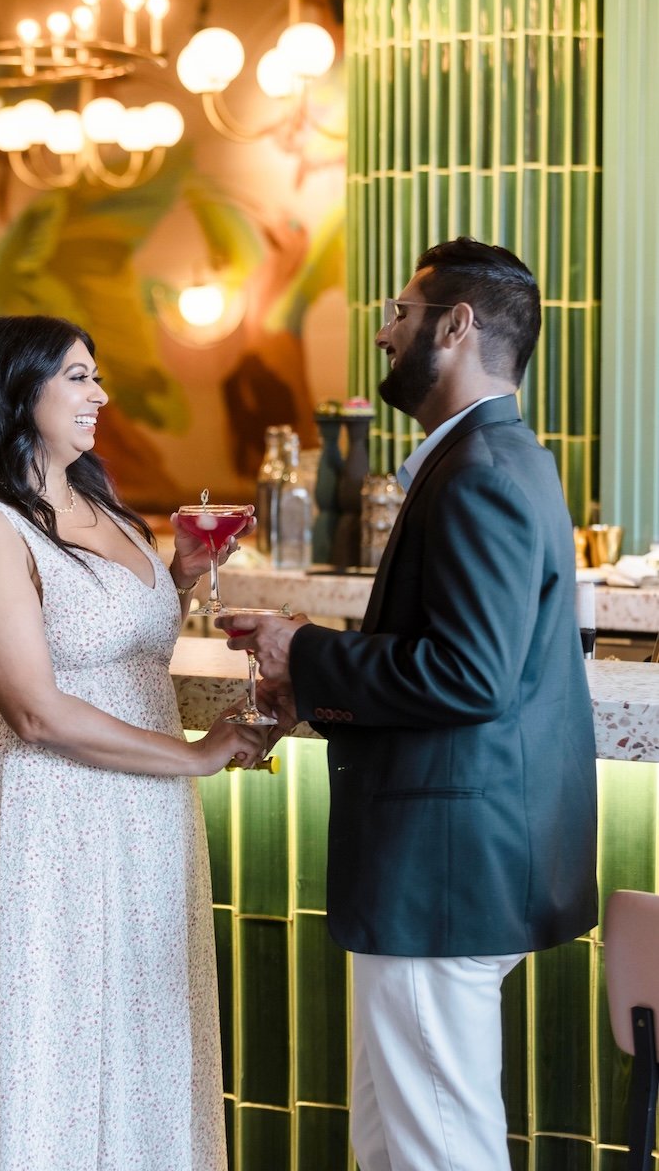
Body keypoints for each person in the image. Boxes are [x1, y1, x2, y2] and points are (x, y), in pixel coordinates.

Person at [219, 238, 598, 1171]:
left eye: (399, 313)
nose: (385, 333)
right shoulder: (490, 459)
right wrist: (313, 657)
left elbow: (470, 677)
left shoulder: (480, 473)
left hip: (446, 874)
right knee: (394, 1141)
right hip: (451, 871)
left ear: (456, 325)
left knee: (436, 1147)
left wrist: (303, 653)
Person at [0, 314, 262, 1171]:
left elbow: (122, 646)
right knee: (54, 1044)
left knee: (141, 1040)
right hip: (52, 814)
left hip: (142, 814)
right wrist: (194, 751)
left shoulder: (104, 504)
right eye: (77, 376)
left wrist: (177, 573)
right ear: (16, 388)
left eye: (95, 375)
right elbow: (34, 709)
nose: (99, 394)